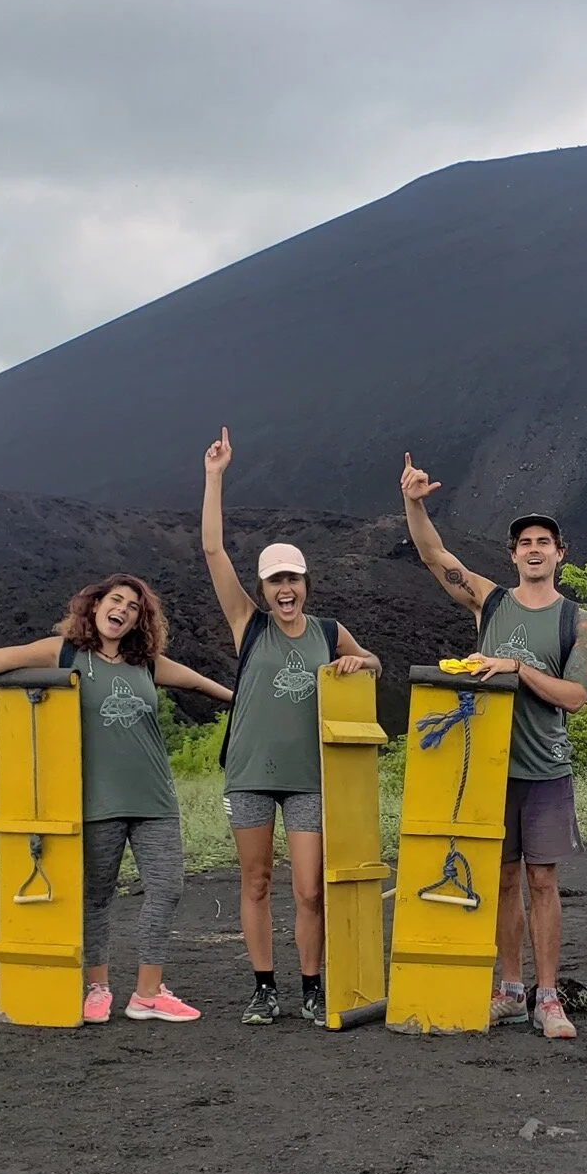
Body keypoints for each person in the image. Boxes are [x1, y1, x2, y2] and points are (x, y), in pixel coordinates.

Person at [0, 574, 231, 1024]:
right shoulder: (65, 651)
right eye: (116, 600)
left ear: (139, 620)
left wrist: (246, 702)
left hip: (155, 799)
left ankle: (149, 993)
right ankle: (97, 988)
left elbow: (204, 686)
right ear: (94, 606)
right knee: (95, 897)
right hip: (96, 802)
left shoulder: (147, 663)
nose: (123, 610)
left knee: (168, 888)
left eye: (133, 607)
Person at [399, 452, 587, 1040]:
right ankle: (510, 989)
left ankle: (550, 995)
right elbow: (437, 558)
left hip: (544, 768)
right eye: (524, 542)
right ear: (512, 555)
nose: (534, 548)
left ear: (560, 553)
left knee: (543, 881)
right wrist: (413, 504)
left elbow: (574, 696)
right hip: (486, 767)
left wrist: (514, 666)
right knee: (504, 879)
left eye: (544, 541)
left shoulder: (577, 622)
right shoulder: (491, 602)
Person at [203, 428, 382, 1028]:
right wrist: (215, 476)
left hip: (310, 778)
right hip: (251, 773)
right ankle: (263, 988)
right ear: (262, 588)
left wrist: (361, 661)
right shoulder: (247, 624)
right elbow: (212, 554)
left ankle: (310, 985)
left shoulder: (329, 630)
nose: (286, 588)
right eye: (275, 580)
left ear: (306, 584)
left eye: (294, 579)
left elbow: (374, 662)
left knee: (309, 889)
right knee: (255, 882)